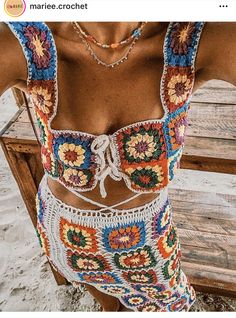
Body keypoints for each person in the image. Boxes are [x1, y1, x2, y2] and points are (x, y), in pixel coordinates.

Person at [0, 22, 235, 312]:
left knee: (170, 305)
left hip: (148, 241)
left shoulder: (194, 39)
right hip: (65, 235)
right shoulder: (24, 43)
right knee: (108, 303)